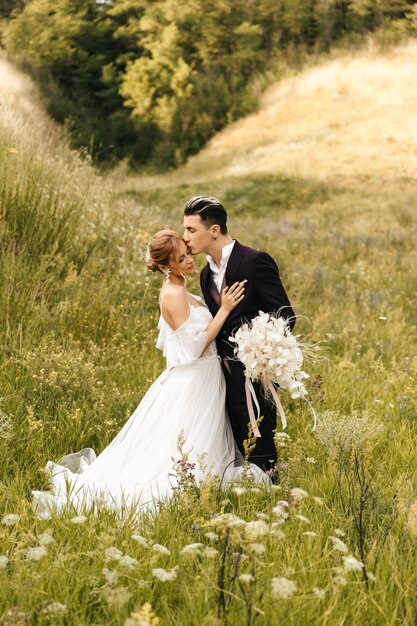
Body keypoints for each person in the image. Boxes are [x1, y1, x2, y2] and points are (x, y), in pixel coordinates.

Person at [32, 230, 267, 520]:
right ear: (166, 267)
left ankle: (202, 486)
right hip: (195, 379)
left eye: (187, 253)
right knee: (187, 444)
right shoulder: (173, 294)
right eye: (181, 259)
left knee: (200, 441)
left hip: (205, 377)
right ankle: (182, 492)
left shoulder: (180, 286)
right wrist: (225, 310)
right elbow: (194, 347)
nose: (189, 260)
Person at [183, 196, 296, 476]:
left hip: (256, 375)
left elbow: (285, 316)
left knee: (261, 444)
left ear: (214, 230)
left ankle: (272, 498)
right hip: (219, 377)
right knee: (233, 447)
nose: (185, 238)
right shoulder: (205, 274)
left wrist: (258, 351)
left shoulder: (255, 261)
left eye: (191, 230)